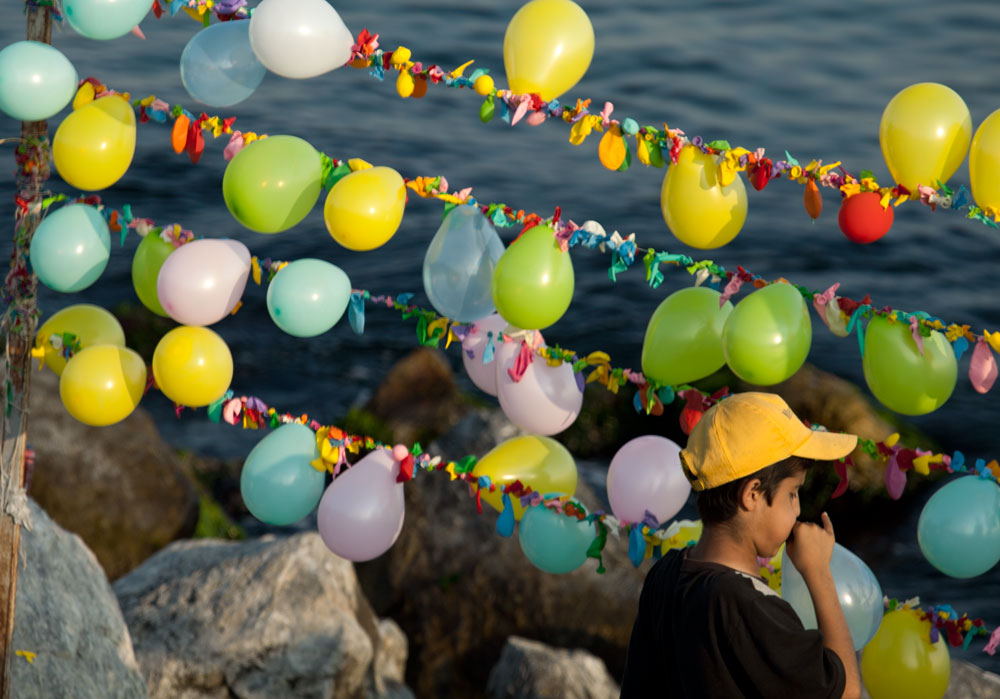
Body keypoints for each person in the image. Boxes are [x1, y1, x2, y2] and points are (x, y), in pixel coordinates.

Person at [620, 392, 863, 699]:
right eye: (792, 493)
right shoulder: (749, 608)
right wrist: (818, 573)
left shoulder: (665, 574)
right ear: (752, 494)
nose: (798, 510)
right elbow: (847, 693)